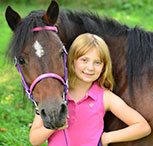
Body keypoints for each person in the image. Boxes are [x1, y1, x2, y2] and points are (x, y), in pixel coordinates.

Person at [29, 33, 151, 146]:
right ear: (72, 62)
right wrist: (53, 125)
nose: (90, 67)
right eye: (84, 60)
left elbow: (142, 126)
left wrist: (107, 138)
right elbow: (34, 140)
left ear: (104, 67)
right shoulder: (56, 96)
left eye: (97, 62)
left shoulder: (104, 97)